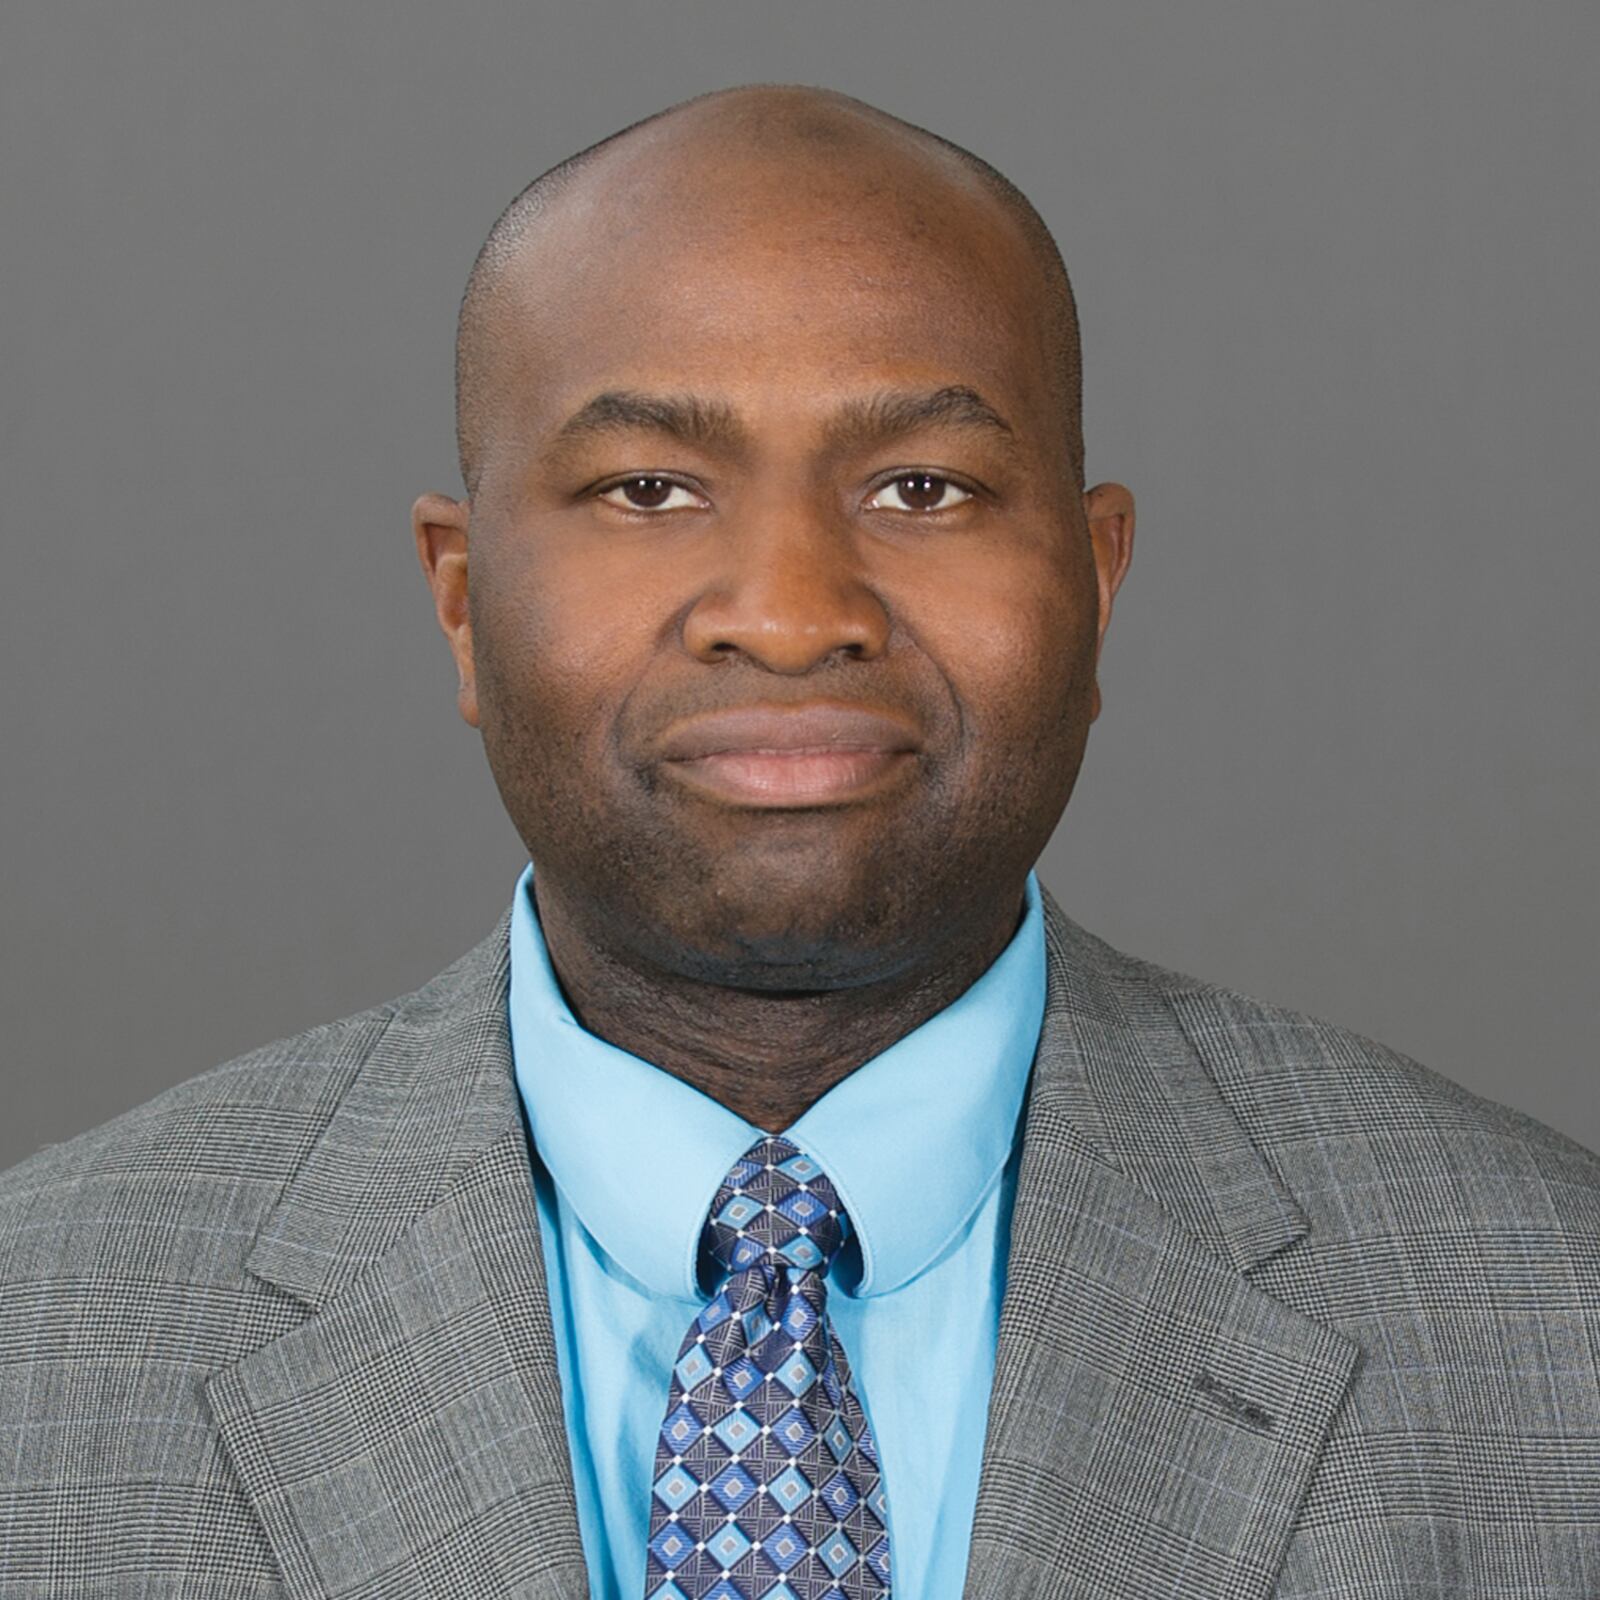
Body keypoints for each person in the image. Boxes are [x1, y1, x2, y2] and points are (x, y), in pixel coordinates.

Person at [1, 82, 1595, 1600]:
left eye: (924, 487)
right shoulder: (41, 1335)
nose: (787, 612)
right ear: (464, 601)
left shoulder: (1552, 1319)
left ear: (1097, 581)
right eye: (648, 488)